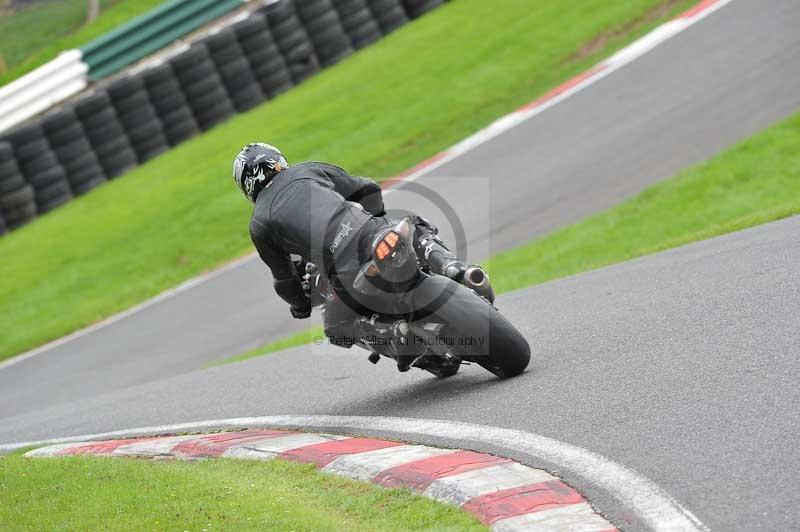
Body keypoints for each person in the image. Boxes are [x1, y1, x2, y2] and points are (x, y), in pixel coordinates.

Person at [233, 142, 493, 370]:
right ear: (277, 161)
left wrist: (300, 306)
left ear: (247, 186)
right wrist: (378, 218)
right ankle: (453, 268)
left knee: (335, 329)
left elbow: (284, 279)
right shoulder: (308, 170)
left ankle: (395, 333)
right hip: (373, 234)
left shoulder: (259, 224)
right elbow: (367, 189)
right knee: (414, 224)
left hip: (343, 272)